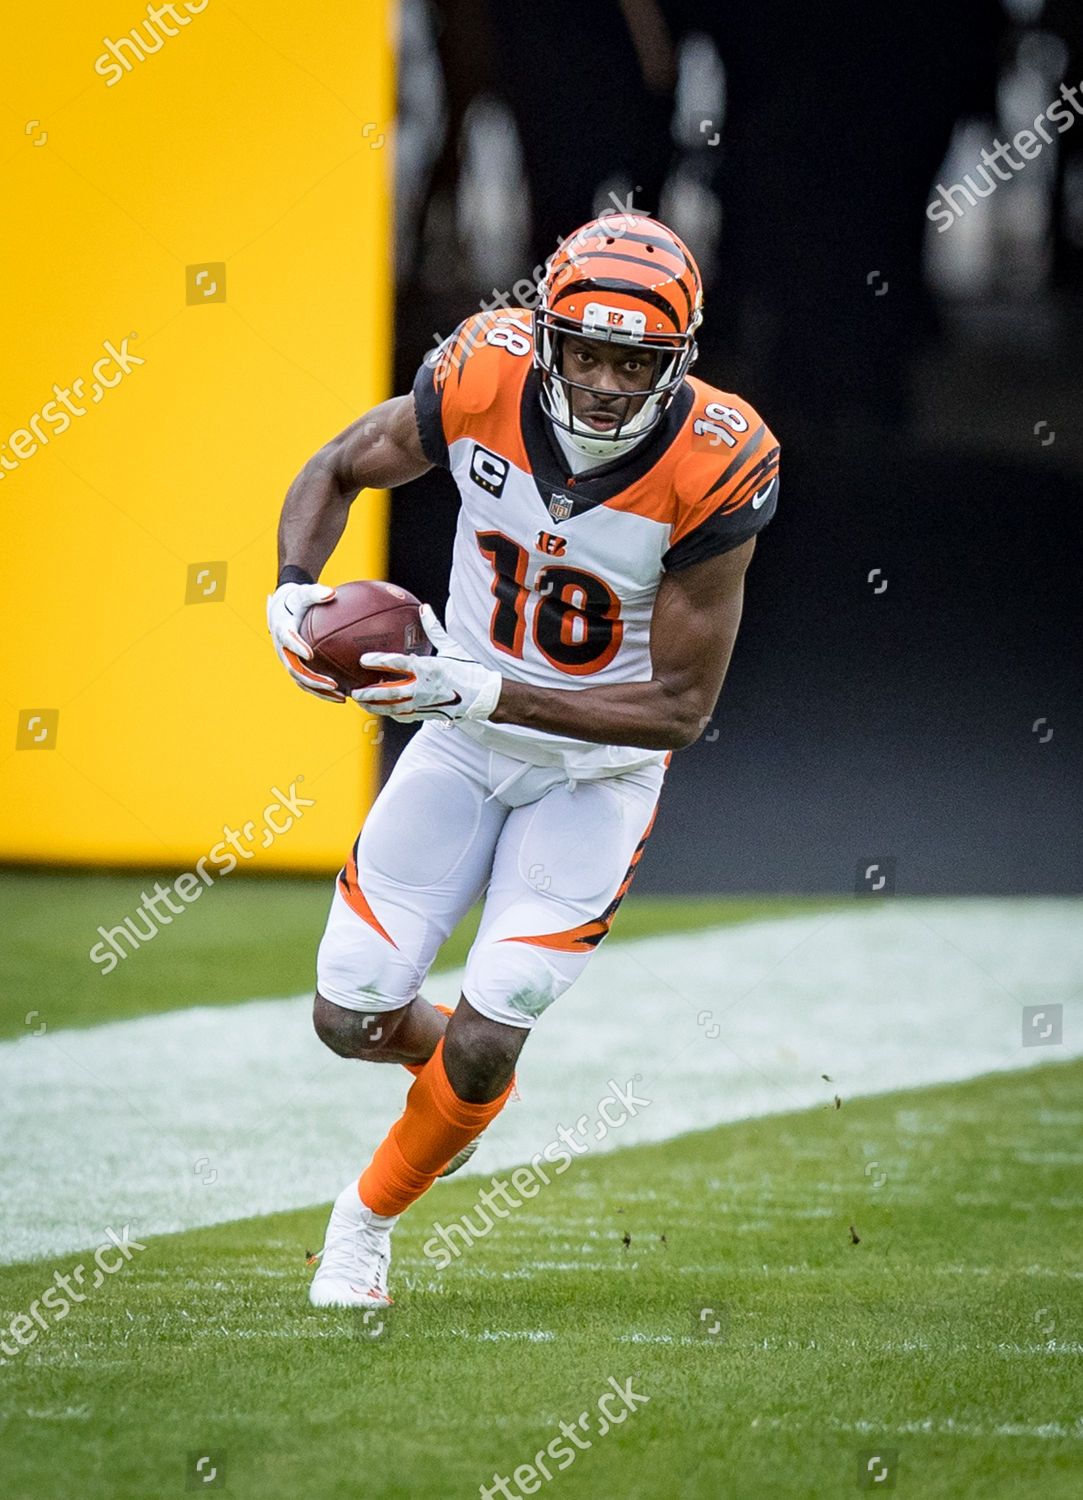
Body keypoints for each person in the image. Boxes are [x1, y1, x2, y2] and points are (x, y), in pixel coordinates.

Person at [267, 214, 779, 1307]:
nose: (601, 382)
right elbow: (338, 465)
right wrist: (291, 587)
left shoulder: (715, 463)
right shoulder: (480, 371)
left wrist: (491, 686)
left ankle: (364, 1223)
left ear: (676, 363)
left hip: (593, 776)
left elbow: (682, 712)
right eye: (584, 353)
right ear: (544, 337)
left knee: (497, 1027)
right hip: (459, 739)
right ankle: (455, 1091)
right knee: (348, 1017)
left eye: (632, 361)